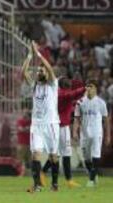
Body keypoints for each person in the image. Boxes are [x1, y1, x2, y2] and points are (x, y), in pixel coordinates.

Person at [22, 42, 60, 192]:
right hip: (37, 125)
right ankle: (37, 185)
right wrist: (30, 55)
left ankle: (55, 184)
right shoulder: (35, 86)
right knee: (36, 155)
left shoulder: (52, 84)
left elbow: (50, 69)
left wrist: (38, 54)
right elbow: (24, 72)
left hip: (51, 124)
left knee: (53, 156)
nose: (39, 72)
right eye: (38, 71)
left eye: (41, 70)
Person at [41, 77, 85, 188]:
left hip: (56, 126)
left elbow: (70, 100)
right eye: (69, 82)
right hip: (61, 127)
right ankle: (68, 180)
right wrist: (85, 88)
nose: (70, 83)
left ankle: (42, 173)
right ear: (66, 84)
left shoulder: (57, 94)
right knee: (66, 153)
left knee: (58, 153)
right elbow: (71, 95)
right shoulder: (63, 94)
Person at [73, 79, 111, 187]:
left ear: (95, 89)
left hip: (96, 132)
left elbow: (106, 120)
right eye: (87, 86)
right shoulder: (80, 102)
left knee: (95, 154)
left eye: (91, 86)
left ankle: (91, 180)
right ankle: (93, 174)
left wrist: (107, 135)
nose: (88, 88)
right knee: (86, 158)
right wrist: (75, 132)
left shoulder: (101, 103)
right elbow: (77, 118)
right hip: (84, 133)